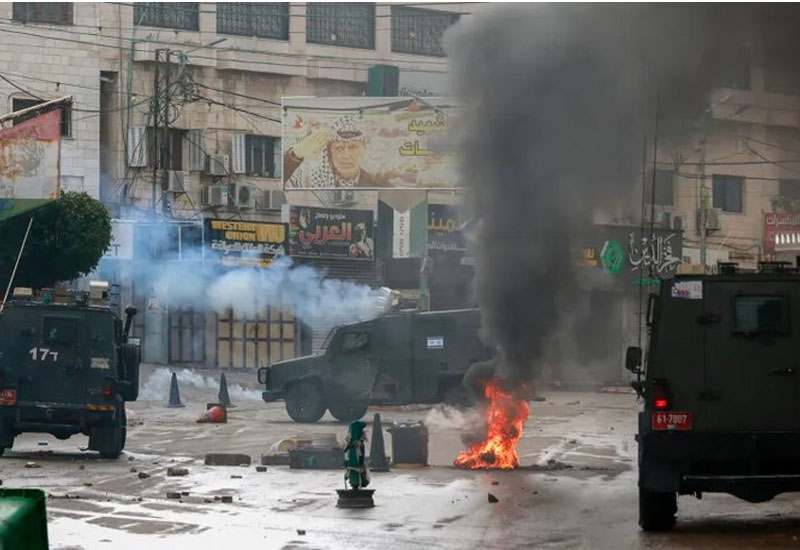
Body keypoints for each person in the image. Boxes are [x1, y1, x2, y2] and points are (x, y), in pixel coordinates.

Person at [284, 116, 392, 189]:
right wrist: (296, 153)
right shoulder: (307, 181)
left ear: (364, 150)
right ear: (329, 153)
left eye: (353, 148)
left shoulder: (380, 185)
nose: (346, 155)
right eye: (339, 148)